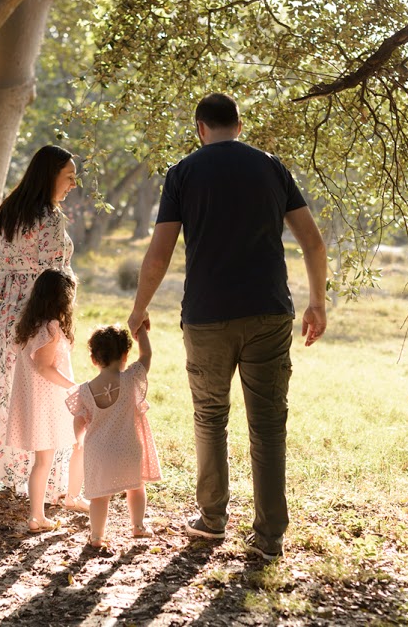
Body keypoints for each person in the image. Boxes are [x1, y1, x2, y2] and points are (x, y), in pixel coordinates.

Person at [127, 93, 328, 561]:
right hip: (269, 312)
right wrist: (317, 302)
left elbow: (159, 255)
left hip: (206, 316)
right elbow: (313, 243)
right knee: (268, 426)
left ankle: (213, 519)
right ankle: (270, 536)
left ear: (200, 129)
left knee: (210, 417)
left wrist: (139, 308)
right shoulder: (272, 167)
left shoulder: (183, 173)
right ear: (238, 125)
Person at [0, 144, 86, 508]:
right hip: (38, 310)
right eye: (69, 177)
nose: (72, 185)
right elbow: (55, 271)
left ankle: (19, 474)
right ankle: (54, 484)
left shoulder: (8, 210)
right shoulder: (49, 218)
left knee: (12, 393)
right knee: (50, 392)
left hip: (4, 313)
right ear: (50, 176)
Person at [5, 268, 88, 532]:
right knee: (43, 461)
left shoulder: (32, 324)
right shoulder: (50, 327)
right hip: (45, 403)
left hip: (39, 401)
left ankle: (52, 507)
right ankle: (36, 517)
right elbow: (43, 366)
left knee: (54, 455)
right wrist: (73, 385)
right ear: (60, 298)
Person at [67, 324, 161, 550]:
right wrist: (142, 332)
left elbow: (78, 421)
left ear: (93, 358)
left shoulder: (85, 390)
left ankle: (97, 537)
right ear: (125, 355)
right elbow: (147, 355)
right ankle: (138, 526)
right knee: (136, 487)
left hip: (99, 452)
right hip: (128, 448)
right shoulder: (131, 379)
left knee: (99, 497)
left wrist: (78, 440)